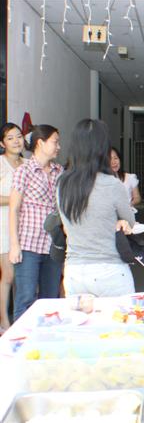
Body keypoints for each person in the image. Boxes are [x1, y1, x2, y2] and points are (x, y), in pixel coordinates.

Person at [58, 120, 136, 296]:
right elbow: (130, 223)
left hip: (74, 272)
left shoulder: (62, 184)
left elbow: (66, 226)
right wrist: (119, 221)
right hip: (110, 270)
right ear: (103, 149)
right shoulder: (112, 184)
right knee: (121, 315)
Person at [8, 125, 63, 321]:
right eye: (55, 142)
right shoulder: (24, 171)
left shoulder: (59, 171)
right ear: (40, 143)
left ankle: (47, 338)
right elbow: (14, 209)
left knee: (50, 300)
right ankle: (21, 339)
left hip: (53, 246)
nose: (59, 147)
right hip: (28, 245)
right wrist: (15, 245)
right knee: (26, 299)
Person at [0, 123, 25, 330]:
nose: (16, 141)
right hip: (4, 225)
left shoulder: (28, 164)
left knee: (24, 277)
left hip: (26, 225)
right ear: (2, 143)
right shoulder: (1, 163)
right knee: (9, 275)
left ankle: (21, 318)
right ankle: (4, 322)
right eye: (10, 138)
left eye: (19, 136)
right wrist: (16, 199)